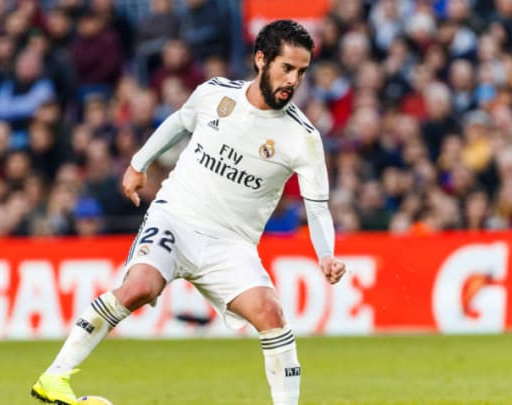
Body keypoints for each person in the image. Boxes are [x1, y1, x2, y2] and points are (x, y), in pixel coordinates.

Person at [30, 20, 346, 405]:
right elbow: (179, 122)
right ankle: (55, 377)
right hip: (176, 216)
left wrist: (326, 253)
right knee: (138, 288)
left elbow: (317, 206)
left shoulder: (303, 136)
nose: (293, 80)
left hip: (231, 243)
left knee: (270, 312)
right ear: (261, 60)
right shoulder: (214, 94)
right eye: (287, 68)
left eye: (302, 72)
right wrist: (138, 164)